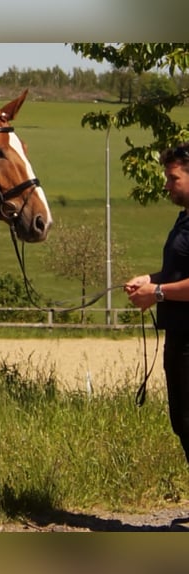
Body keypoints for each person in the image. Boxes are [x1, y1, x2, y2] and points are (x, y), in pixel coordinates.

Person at [126, 142, 189, 463]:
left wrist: (158, 293)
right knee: (181, 420)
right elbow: (177, 272)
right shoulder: (183, 220)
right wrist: (150, 280)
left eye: (173, 178)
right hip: (178, 334)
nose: (166, 185)